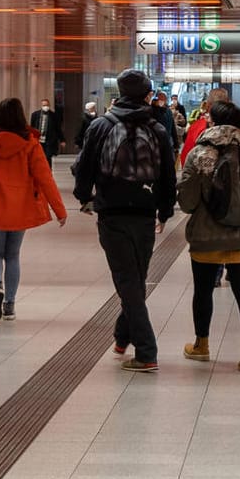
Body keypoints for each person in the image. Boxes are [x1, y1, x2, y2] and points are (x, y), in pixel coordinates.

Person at [74, 69, 177, 372]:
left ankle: (146, 351)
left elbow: (86, 166)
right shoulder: (157, 128)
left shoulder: (100, 126)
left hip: (112, 211)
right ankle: (122, 338)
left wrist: (85, 197)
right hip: (144, 212)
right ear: (147, 95)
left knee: (128, 281)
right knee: (135, 280)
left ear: (118, 93)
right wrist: (165, 210)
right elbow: (168, 175)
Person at [179, 101, 240, 372]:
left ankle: (201, 344)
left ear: (212, 122)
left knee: (203, 291)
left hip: (207, 236)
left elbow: (187, 202)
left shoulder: (199, 154)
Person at [0, 98, 68, 323]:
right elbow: (45, 178)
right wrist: (60, 210)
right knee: (12, 255)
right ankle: (9, 305)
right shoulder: (31, 143)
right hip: (20, 208)